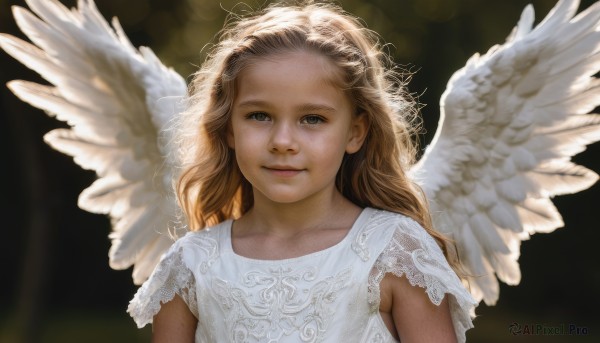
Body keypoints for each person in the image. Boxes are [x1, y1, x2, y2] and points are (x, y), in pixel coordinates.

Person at [127, 1, 477, 342]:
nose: (282, 142)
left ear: (355, 132)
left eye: (313, 119)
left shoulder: (395, 252)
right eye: (259, 116)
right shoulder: (190, 266)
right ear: (228, 129)